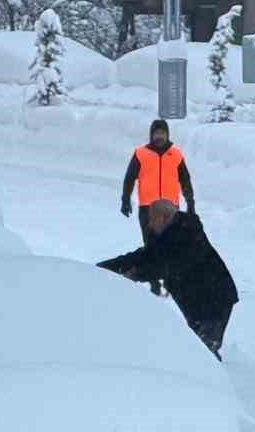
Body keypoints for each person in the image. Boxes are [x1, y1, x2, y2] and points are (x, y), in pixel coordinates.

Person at [98, 199, 237, 358]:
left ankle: (212, 373)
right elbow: (143, 256)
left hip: (216, 297)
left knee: (204, 348)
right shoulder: (165, 236)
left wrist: (136, 274)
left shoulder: (190, 233)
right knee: (198, 345)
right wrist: (105, 267)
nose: (149, 224)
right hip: (196, 298)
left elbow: (169, 264)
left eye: (152, 219)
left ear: (163, 218)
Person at [120, 119, 196, 253]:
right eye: (156, 133)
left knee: (170, 245)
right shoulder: (141, 154)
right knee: (151, 246)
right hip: (148, 208)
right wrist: (125, 199)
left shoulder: (176, 154)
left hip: (170, 208)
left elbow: (185, 180)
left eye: (162, 133)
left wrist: (190, 203)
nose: (159, 136)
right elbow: (130, 178)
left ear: (167, 134)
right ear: (151, 135)